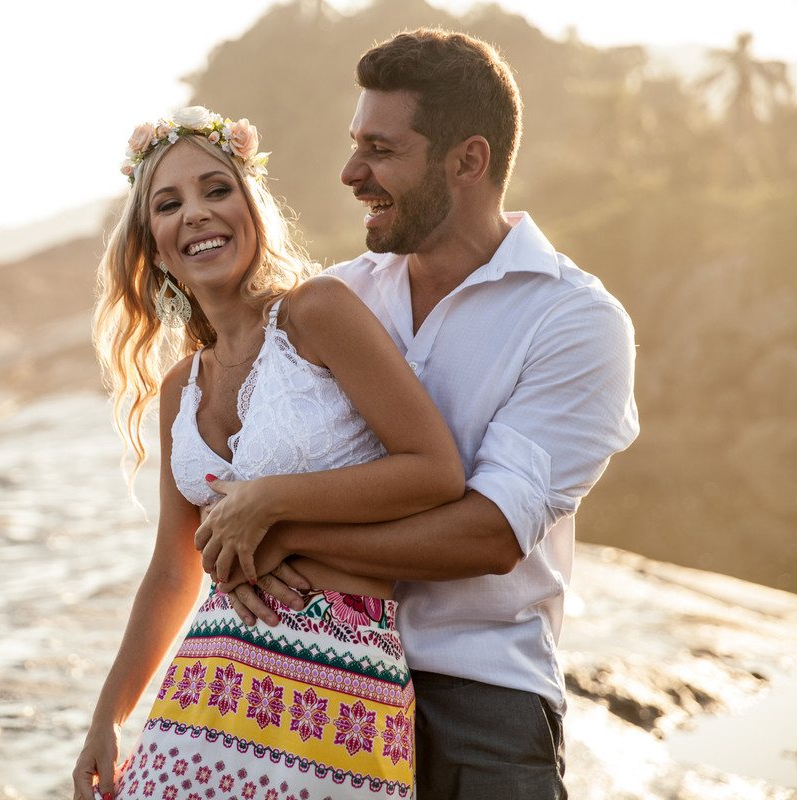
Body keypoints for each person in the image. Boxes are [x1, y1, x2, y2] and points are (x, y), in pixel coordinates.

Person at [212, 29, 640, 800]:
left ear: (468, 161)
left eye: (380, 150)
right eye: (355, 144)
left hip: (478, 697)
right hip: (310, 672)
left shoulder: (574, 320)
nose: (351, 173)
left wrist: (281, 526)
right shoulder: (336, 298)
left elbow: (490, 534)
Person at [71, 105, 466, 800]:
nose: (197, 212)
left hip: (337, 685)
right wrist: (109, 716)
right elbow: (173, 569)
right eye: (169, 204)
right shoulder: (180, 388)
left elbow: (435, 471)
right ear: (154, 247)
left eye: (216, 189)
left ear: (251, 209)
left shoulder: (317, 313)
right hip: (203, 691)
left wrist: (270, 503)